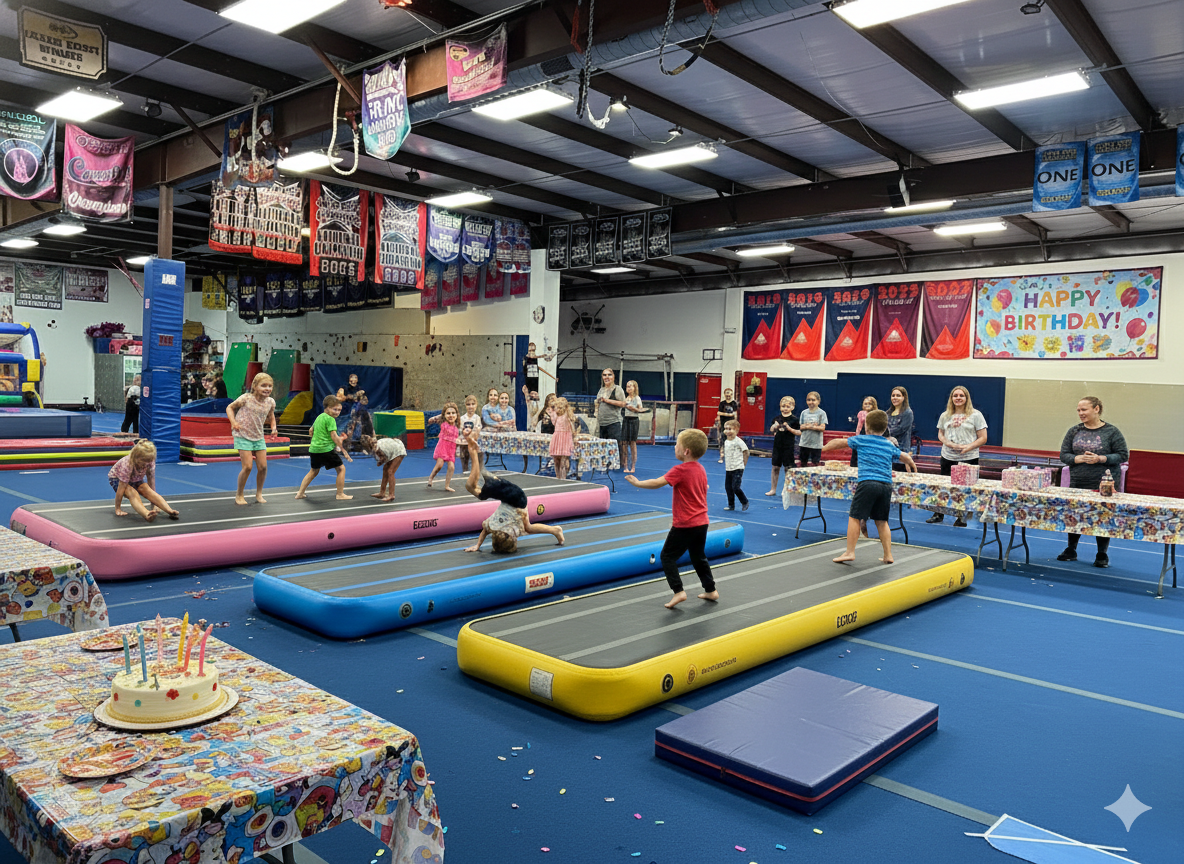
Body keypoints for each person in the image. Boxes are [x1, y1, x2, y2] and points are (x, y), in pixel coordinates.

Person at [626, 428, 719, 610]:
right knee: (698, 557)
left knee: (667, 557)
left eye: (677, 444)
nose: (674, 447)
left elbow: (657, 483)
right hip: (702, 522)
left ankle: (678, 591)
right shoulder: (701, 469)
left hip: (686, 524)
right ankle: (711, 590)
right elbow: (704, 488)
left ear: (686, 451)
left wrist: (638, 483)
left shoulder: (680, 470)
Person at [823, 410, 917, 564]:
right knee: (882, 521)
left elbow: (838, 442)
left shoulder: (861, 439)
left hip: (867, 483)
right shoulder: (888, 443)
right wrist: (911, 464)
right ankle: (888, 555)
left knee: (855, 517)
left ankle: (849, 552)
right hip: (885, 486)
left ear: (866, 426)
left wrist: (823, 448)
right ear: (885, 428)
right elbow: (905, 456)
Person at [460, 428, 564, 553]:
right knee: (471, 487)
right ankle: (473, 451)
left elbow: (485, 530)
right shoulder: (506, 528)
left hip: (513, 497)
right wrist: (478, 545)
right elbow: (485, 531)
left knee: (478, 482)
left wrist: (477, 545)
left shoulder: (500, 528)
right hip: (516, 500)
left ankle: (476, 451)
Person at [1057, 396, 1129, 568]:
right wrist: (1078, 459)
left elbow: (1122, 455)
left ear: (1096, 409)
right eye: (1078, 410)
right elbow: (1064, 455)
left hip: (1104, 484)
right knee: (1075, 515)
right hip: (1078, 481)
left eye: (1084, 409)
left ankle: (1102, 553)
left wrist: (1100, 458)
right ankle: (1071, 549)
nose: (1080, 413)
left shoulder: (1112, 432)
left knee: (1103, 516)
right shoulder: (1074, 431)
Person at [926, 385, 987, 527]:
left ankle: (962, 517)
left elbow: (983, 437)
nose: (958, 398)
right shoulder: (945, 415)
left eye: (961, 395)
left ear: (966, 398)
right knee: (943, 486)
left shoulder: (976, 415)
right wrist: (948, 443)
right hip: (948, 456)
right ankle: (938, 513)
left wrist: (968, 447)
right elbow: (940, 433)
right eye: (955, 396)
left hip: (968, 458)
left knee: (964, 488)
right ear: (951, 398)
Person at [226, 372, 277, 506]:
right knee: (248, 467)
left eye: (270, 386)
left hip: (258, 436)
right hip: (242, 434)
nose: (267, 388)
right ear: (254, 386)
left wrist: (274, 428)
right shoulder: (246, 398)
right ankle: (239, 494)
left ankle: (259, 493)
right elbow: (230, 407)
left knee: (263, 467)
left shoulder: (270, 402)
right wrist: (233, 422)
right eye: (263, 385)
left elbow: (271, 416)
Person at [295, 395, 354, 500]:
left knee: (314, 471)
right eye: (334, 409)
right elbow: (334, 436)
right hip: (325, 450)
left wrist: (316, 440)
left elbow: (310, 431)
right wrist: (343, 449)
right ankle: (340, 494)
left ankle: (300, 493)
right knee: (341, 469)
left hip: (314, 449)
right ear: (327, 408)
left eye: (339, 410)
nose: (337, 412)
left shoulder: (319, 417)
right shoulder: (330, 419)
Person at [109, 440, 180, 522]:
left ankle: (169, 510)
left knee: (146, 488)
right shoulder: (127, 464)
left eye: (148, 461)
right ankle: (146, 514)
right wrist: (118, 508)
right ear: (136, 457)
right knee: (132, 492)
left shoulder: (149, 461)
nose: (146, 464)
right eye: (143, 461)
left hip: (135, 478)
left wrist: (154, 504)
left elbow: (151, 481)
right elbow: (121, 487)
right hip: (117, 479)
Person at [767, 396, 801, 496]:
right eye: (783, 406)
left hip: (788, 446)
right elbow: (771, 430)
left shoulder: (795, 420)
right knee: (775, 467)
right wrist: (774, 426)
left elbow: (799, 432)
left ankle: (786, 489)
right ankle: (773, 489)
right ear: (780, 407)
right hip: (777, 445)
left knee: (787, 467)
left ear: (792, 407)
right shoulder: (777, 418)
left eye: (788, 406)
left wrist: (789, 428)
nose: (785, 408)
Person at [426, 401, 461, 491]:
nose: (451, 415)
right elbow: (430, 420)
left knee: (452, 467)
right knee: (439, 465)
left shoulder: (457, 426)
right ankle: (431, 478)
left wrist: (458, 450)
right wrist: (442, 415)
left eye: (453, 413)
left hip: (451, 449)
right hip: (442, 447)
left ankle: (447, 485)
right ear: (444, 415)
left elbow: (458, 440)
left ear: (457, 414)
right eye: (448, 413)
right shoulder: (443, 423)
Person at [596, 368, 627, 469]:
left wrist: (607, 400)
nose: (607, 377)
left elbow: (623, 403)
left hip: (614, 422)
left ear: (613, 377)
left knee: (617, 445)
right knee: (603, 445)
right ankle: (606, 463)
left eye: (609, 375)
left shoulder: (618, 389)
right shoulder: (601, 390)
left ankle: (621, 464)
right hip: (602, 423)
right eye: (604, 375)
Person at [361, 434, 406, 502]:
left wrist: (380, 462)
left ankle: (391, 495)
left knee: (390, 472)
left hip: (399, 450)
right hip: (392, 448)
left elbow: (384, 458)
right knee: (385, 469)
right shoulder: (374, 444)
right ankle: (382, 493)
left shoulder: (377, 449)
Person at [721, 419, 749, 512]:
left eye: (730, 429)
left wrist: (743, 464)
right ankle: (731, 505)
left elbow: (746, 452)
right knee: (728, 487)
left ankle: (744, 501)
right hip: (729, 467)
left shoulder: (738, 441)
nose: (727, 431)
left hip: (738, 467)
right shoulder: (726, 441)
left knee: (735, 487)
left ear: (736, 430)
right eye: (726, 429)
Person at [886, 386, 915, 471]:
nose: (895, 398)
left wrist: (884, 434)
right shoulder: (887, 413)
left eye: (898, 395)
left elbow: (901, 429)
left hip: (901, 451)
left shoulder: (908, 412)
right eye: (893, 395)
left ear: (904, 397)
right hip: (888, 450)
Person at [549, 396, 576, 481]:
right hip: (557, 437)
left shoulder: (567, 414)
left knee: (563, 460)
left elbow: (572, 425)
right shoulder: (555, 414)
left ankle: (563, 478)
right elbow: (554, 423)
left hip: (565, 438)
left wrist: (573, 436)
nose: (557, 408)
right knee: (556, 459)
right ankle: (558, 477)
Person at [798, 391, 827, 467]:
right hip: (804, 443)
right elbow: (801, 427)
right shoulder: (804, 413)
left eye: (813, 400)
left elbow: (822, 428)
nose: (811, 402)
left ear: (818, 401)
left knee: (815, 464)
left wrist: (812, 427)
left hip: (816, 444)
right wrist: (808, 426)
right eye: (809, 400)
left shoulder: (822, 413)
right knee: (803, 464)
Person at [622, 380, 644, 473]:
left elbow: (641, 410)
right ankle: (625, 465)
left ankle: (633, 466)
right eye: (627, 386)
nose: (629, 388)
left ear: (635, 387)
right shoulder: (626, 398)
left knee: (632, 443)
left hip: (634, 420)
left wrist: (633, 409)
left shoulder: (637, 398)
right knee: (624, 443)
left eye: (631, 386)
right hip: (626, 420)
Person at [458, 395, 482, 474]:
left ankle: (475, 475)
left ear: (476, 405)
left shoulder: (477, 418)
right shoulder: (462, 418)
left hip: (474, 444)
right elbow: (460, 430)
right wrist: (464, 431)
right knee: (465, 463)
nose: (470, 406)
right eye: (468, 404)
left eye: (473, 404)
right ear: (465, 406)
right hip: (464, 445)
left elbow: (478, 429)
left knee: (475, 463)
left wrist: (471, 432)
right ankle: (465, 472)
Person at [716, 388, 738, 462]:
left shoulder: (734, 403)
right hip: (723, 424)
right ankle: (721, 456)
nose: (728, 396)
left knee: (731, 439)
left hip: (731, 424)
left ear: (732, 395)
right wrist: (728, 414)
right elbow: (719, 413)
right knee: (722, 439)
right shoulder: (722, 403)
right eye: (727, 394)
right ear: (724, 395)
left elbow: (735, 414)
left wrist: (735, 423)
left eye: (730, 395)